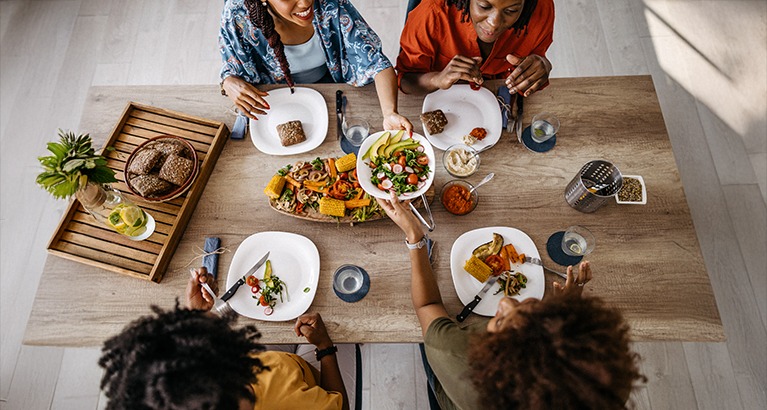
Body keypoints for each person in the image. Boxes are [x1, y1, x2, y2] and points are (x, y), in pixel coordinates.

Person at [376, 192, 645, 410]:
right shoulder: (597, 386)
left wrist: (415, 238)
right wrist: (567, 309)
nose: (505, 302)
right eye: (532, 306)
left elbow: (427, 306)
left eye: (503, 320)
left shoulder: (454, 353)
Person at [98, 267, 349, 410]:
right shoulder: (285, 400)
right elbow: (341, 407)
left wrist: (195, 316)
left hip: (283, 362)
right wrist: (325, 348)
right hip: (312, 377)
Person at [219, 0, 412, 134]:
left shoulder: (331, 4)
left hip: (334, 88)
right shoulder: (237, 13)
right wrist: (228, 82)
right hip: (277, 102)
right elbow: (233, 70)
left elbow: (375, 61)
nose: (305, 3)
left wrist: (389, 113)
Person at [397, 0, 554, 97]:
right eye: (484, 6)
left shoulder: (540, 8)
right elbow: (405, 80)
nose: (494, 23)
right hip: (436, 97)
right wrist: (436, 79)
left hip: (498, 98)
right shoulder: (432, 12)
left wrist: (543, 66)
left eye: (511, 10)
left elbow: (538, 57)